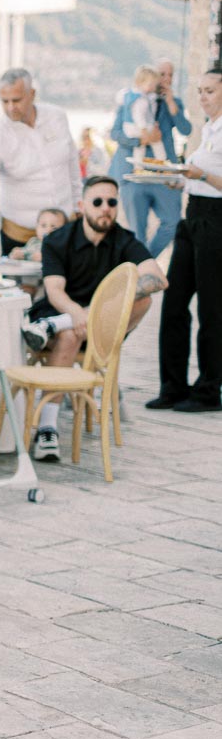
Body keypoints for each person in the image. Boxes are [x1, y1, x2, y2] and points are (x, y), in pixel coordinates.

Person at [19, 177, 160, 459]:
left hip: (99, 327)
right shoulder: (59, 239)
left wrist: (100, 311)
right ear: (83, 206)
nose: (105, 208)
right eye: (97, 202)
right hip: (60, 311)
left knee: (144, 298)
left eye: (112, 202)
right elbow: (54, 290)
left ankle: (53, 328)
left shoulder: (123, 239)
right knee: (70, 333)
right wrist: (75, 314)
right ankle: (48, 428)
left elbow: (157, 277)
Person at [151, 68, 222, 413]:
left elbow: (212, 179)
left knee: (212, 308)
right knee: (174, 302)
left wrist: (201, 175)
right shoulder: (208, 131)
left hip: (216, 220)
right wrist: (179, 180)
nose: (202, 97)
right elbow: (197, 178)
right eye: (199, 91)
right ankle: (173, 386)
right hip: (192, 216)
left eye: (209, 90)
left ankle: (208, 390)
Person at [0, 68, 80, 258]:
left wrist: (78, 206)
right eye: (5, 101)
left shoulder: (57, 117)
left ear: (32, 94)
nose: (11, 107)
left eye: (17, 100)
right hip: (19, 235)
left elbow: (72, 165)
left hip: (65, 227)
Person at [111, 59, 192, 256]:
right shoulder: (130, 100)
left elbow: (185, 129)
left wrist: (171, 101)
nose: (166, 79)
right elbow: (115, 134)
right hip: (134, 174)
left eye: (170, 75)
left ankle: (144, 260)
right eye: (162, 74)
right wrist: (141, 140)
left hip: (163, 175)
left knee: (172, 223)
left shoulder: (173, 104)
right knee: (137, 231)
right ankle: (141, 269)